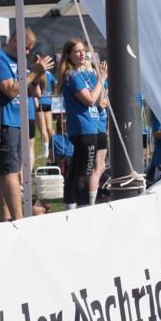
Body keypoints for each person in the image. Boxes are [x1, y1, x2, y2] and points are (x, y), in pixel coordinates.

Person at [0, 28, 54, 222]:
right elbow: (11, 90)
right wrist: (33, 72)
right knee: (9, 173)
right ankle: (19, 220)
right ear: (14, 40)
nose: (28, 52)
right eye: (26, 47)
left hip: (18, 121)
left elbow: (29, 92)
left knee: (10, 174)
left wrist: (37, 75)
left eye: (30, 49)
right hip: (3, 121)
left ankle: (5, 219)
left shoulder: (18, 62)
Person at [58, 39, 107, 209]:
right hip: (82, 128)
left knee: (78, 169)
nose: (81, 54)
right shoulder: (72, 76)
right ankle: (82, 207)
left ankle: (72, 207)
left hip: (91, 126)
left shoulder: (84, 74)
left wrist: (99, 80)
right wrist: (102, 79)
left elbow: (101, 99)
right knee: (83, 171)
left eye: (82, 51)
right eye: (77, 51)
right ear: (69, 56)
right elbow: (90, 100)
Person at [90, 74, 109, 206]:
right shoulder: (97, 81)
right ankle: (92, 201)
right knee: (98, 167)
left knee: (99, 166)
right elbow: (101, 103)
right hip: (98, 127)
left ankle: (94, 197)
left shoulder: (98, 82)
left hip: (99, 126)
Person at [36, 66, 57, 160]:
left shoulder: (36, 73)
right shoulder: (50, 74)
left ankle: (46, 152)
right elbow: (56, 83)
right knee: (49, 128)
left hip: (39, 102)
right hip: (48, 102)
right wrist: (52, 93)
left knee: (43, 129)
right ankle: (55, 148)